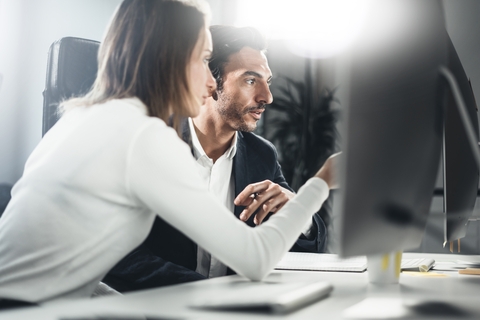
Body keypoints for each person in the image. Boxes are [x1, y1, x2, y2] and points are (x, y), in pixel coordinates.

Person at [0, 0, 335, 307]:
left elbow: (69, 268)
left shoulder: (85, 117)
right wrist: (324, 179)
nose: (208, 82)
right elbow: (257, 258)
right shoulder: (145, 135)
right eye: (204, 60)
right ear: (169, 60)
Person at [103, 25, 328, 292]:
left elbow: (310, 245)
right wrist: (212, 294)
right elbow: (117, 257)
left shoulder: (261, 154)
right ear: (209, 79)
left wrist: (297, 210)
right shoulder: (151, 142)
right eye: (250, 80)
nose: (267, 97)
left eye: (267, 81)